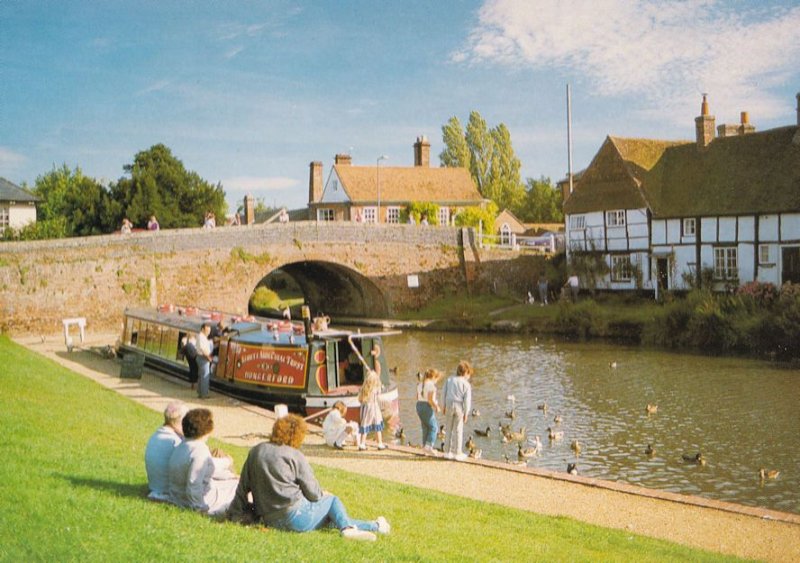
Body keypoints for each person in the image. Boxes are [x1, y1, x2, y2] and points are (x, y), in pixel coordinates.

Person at [227, 414, 390, 540]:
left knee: (332, 519)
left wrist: (234, 514)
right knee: (332, 501)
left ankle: (375, 525)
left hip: (269, 518)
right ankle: (350, 529)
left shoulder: (256, 451)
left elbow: (242, 488)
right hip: (294, 517)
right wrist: (323, 494)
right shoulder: (294, 455)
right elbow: (314, 494)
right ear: (297, 436)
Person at [167, 408, 239, 516]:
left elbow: (203, 470)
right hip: (203, 500)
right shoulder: (200, 451)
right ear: (207, 429)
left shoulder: (182, 446)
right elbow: (194, 483)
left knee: (233, 481)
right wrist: (200, 508)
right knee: (241, 487)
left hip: (178, 497)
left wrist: (230, 476)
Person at [144, 401, 188, 500]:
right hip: (169, 491)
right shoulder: (175, 442)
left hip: (155, 486)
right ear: (182, 421)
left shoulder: (156, 436)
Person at [357, 345, 386, 451]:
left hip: (365, 408)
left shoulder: (364, 389)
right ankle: (380, 443)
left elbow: (360, 399)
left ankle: (362, 443)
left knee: (365, 425)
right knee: (377, 425)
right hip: (374, 408)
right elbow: (379, 395)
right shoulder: (376, 388)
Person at [442, 360, 473, 461]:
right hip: (459, 406)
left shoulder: (449, 380)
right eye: (469, 374)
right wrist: (466, 413)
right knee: (458, 429)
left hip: (449, 404)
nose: (469, 377)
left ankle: (447, 452)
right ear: (465, 373)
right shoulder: (466, 384)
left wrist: (443, 406)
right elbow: (467, 400)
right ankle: (457, 453)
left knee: (448, 428)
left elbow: (443, 393)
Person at [416, 368, 442, 453]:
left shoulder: (420, 384)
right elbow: (431, 400)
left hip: (419, 405)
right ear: (434, 377)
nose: (436, 382)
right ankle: (429, 446)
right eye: (437, 379)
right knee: (434, 427)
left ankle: (424, 447)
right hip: (426, 406)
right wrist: (437, 406)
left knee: (425, 427)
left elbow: (417, 397)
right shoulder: (431, 386)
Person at [195, 323, 213, 399]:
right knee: (205, 377)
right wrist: (208, 357)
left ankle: (200, 393)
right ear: (202, 329)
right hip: (203, 358)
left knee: (201, 376)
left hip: (201, 357)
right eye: (207, 330)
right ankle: (204, 395)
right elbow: (202, 349)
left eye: (209, 331)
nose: (208, 332)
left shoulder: (203, 337)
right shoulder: (201, 337)